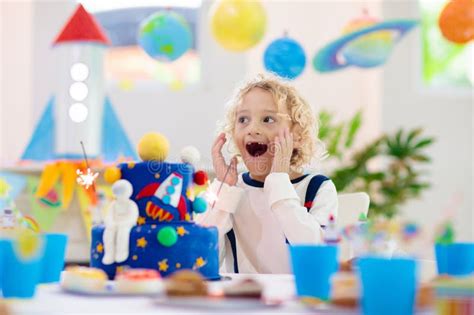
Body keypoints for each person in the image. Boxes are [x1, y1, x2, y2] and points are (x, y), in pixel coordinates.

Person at [196, 74, 338, 274]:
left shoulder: (318, 188)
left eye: (268, 119)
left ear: (296, 135)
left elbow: (317, 255)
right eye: (243, 119)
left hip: (297, 302)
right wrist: (224, 190)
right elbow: (199, 259)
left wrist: (279, 181)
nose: (253, 129)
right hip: (243, 302)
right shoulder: (230, 190)